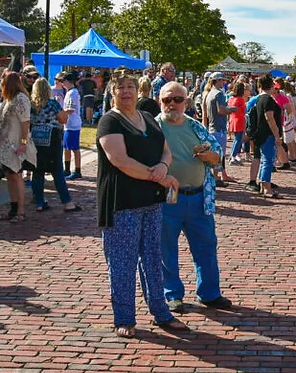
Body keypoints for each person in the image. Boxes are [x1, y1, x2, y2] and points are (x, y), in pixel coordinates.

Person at [97, 71, 186, 337]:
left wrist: (161, 167)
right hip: (122, 203)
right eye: (120, 87)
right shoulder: (109, 122)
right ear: (112, 92)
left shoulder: (147, 117)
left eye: (130, 87)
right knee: (123, 262)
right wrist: (158, 177)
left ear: (138, 90)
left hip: (151, 201)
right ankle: (124, 318)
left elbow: (166, 150)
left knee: (152, 259)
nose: (126, 91)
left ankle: (161, 312)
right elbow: (119, 160)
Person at [156, 82, 233, 313]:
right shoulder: (152, 127)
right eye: (166, 100)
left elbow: (217, 155)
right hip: (167, 198)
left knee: (206, 246)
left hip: (199, 197)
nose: (172, 104)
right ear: (160, 101)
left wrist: (210, 156)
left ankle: (209, 293)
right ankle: (172, 294)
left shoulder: (196, 127)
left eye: (177, 99)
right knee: (166, 248)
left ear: (186, 102)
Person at [30, 77, 80, 213]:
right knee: (57, 170)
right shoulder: (52, 104)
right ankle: (67, 202)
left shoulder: (31, 105)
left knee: (37, 171)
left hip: (35, 140)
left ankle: (39, 202)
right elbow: (63, 118)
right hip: (51, 138)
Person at [0, 72, 36, 223]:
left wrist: (23, 143)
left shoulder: (20, 99)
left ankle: (21, 210)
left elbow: (25, 122)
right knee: (10, 176)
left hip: (15, 144)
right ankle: (13, 208)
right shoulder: (8, 99)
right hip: (6, 145)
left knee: (17, 175)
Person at [252, 74, 283, 198]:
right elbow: (269, 118)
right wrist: (277, 135)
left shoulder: (260, 98)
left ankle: (262, 185)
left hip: (260, 133)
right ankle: (266, 188)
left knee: (265, 160)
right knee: (267, 161)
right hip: (267, 134)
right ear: (271, 85)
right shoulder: (268, 100)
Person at [204, 72, 235, 186]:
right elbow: (221, 110)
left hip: (212, 127)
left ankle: (218, 176)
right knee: (218, 155)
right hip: (219, 128)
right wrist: (232, 109)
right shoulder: (219, 94)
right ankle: (216, 178)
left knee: (215, 154)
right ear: (217, 81)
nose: (224, 82)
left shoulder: (209, 93)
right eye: (222, 80)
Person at [60, 72, 83, 180]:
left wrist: (60, 113)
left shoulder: (72, 93)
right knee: (67, 147)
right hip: (68, 124)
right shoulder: (69, 92)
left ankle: (77, 170)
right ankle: (67, 169)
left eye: (63, 81)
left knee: (74, 148)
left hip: (73, 124)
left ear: (67, 81)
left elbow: (71, 109)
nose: (62, 83)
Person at [227, 82, 248, 165]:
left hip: (232, 119)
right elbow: (244, 110)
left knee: (236, 139)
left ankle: (233, 155)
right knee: (238, 139)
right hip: (239, 120)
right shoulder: (240, 99)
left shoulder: (231, 98)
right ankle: (233, 156)